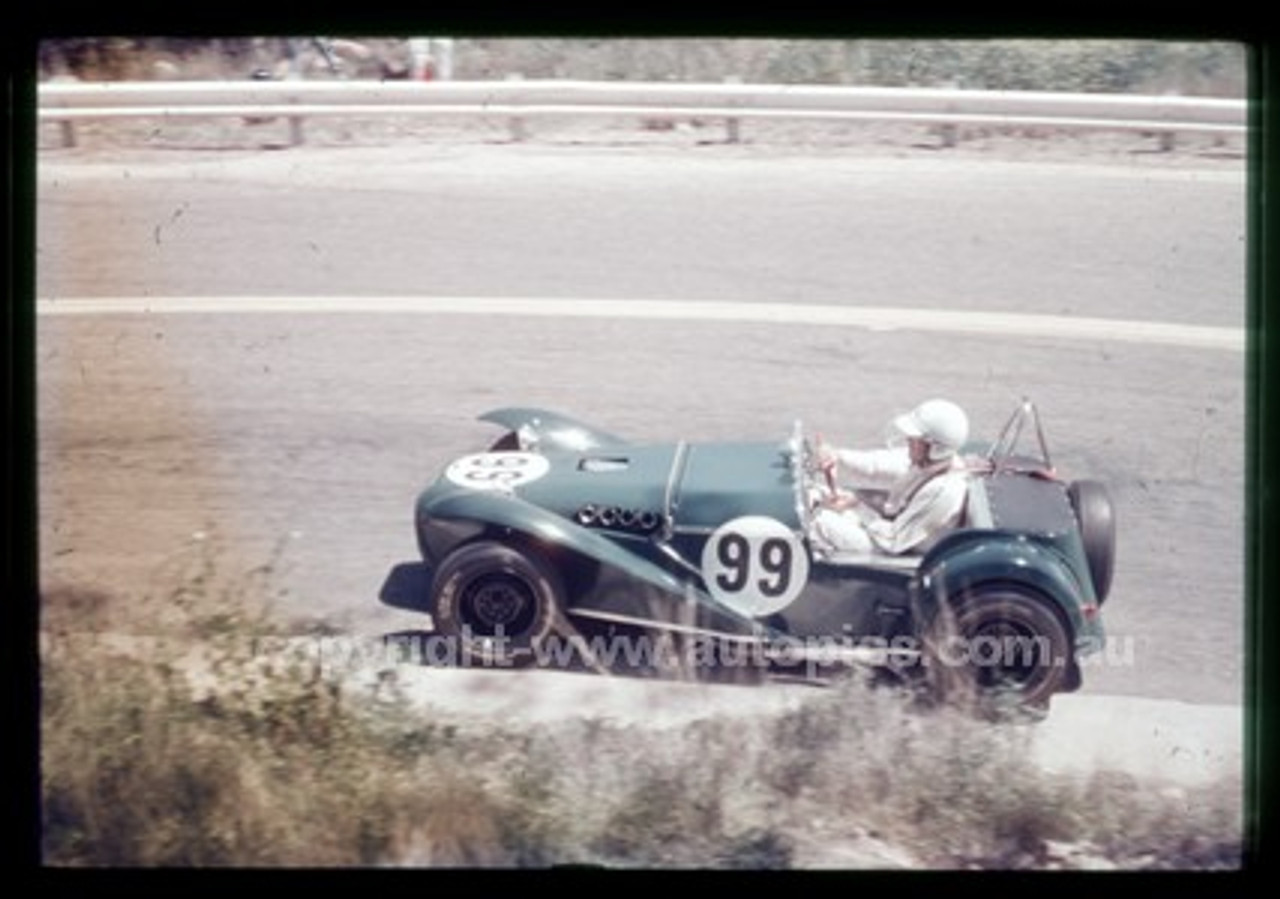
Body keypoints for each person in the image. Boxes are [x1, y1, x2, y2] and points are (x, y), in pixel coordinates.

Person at [811, 399, 972, 557]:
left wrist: (857, 508)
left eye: (916, 439)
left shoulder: (943, 491)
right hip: (887, 529)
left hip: (895, 548)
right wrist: (835, 456)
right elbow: (875, 466)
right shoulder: (929, 463)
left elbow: (894, 540)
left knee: (817, 522)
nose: (908, 440)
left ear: (935, 448)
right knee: (815, 493)